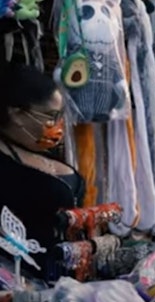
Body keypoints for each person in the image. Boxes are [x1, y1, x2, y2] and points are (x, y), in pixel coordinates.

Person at [0, 63, 85, 280]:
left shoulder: (39, 152)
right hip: (21, 286)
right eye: (51, 116)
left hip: (64, 282)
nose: (57, 125)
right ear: (17, 114)